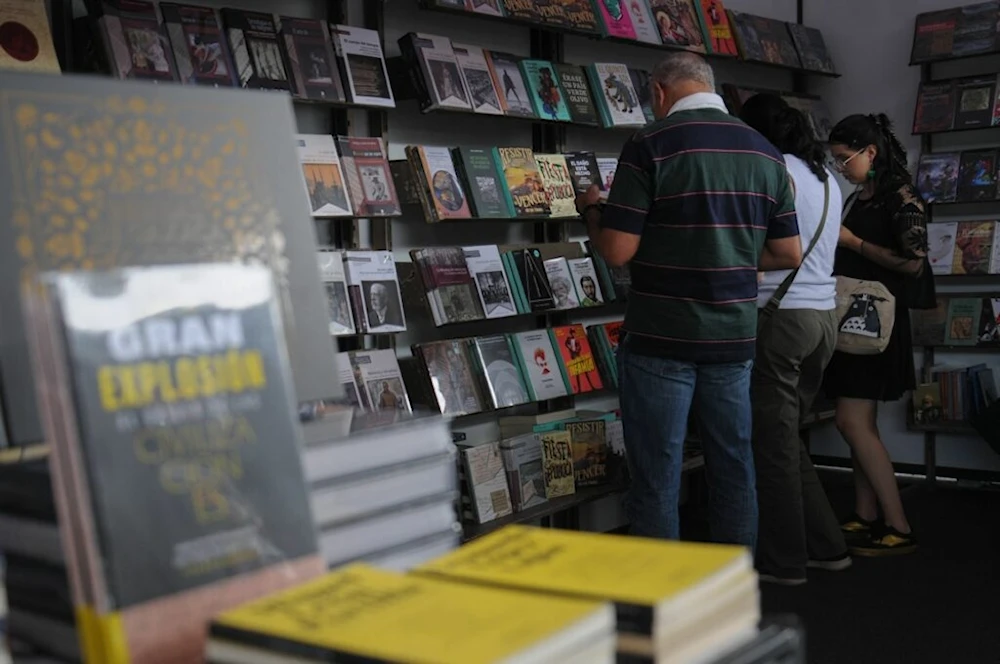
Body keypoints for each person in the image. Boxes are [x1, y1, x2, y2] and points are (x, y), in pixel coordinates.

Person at [576, 52, 803, 548]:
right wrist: (730, 254)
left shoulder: (650, 144)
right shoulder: (765, 153)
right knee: (734, 467)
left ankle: (665, 609)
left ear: (659, 91)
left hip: (662, 336)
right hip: (734, 337)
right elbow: (788, 252)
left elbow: (617, 251)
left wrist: (592, 209)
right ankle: (733, 599)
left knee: (658, 476)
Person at [739, 94, 848, 585]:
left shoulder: (770, 170)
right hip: (822, 318)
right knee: (786, 440)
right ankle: (827, 546)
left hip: (778, 317)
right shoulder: (827, 178)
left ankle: (785, 562)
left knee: (773, 445)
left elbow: (755, 243)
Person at [825, 113, 936, 556]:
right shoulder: (860, 196)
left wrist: (853, 244)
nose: (839, 167)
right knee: (859, 425)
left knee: (850, 422)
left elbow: (914, 262)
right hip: (852, 318)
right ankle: (865, 513)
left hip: (876, 322)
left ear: (869, 153)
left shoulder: (901, 196)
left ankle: (898, 523)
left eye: (843, 158)